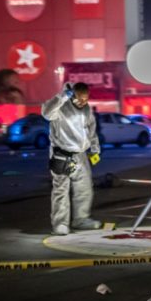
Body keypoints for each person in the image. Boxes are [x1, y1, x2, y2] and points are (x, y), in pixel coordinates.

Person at [41, 82, 102, 235]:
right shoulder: (60, 107)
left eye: (85, 99)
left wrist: (94, 149)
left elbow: (91, 130)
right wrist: (62, 97)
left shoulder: (86, 109)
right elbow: (46, 113)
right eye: (79, 99)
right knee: (61, 190)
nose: (82, 102)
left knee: (84, 188)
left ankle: (81, 219)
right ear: (71, 95)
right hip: (63, 153)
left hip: (80, 155)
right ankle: (60, 223)